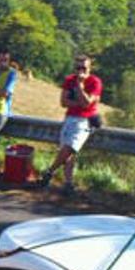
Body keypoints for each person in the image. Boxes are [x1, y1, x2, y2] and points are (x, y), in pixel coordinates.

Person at [40, 55, 102, 195]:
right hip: (69, 118)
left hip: (84, 120)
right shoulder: (69, 80)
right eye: (78, 67)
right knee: (68, 153)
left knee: (70, 148)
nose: (80, 71)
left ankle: (49, 171)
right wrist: (82, 101)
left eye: (84, 68)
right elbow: (63, 102)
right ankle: (68, 184)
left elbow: (87, 104)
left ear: (89, 68)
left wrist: (80, 87)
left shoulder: (95, 82)